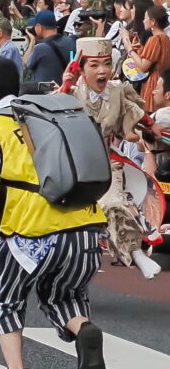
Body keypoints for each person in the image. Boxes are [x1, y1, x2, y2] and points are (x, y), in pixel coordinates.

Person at [0, 56, 107, 369]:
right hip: (86, 225)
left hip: (29, 232)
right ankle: (83, 328)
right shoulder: (50, 116)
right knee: (64, 294)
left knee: (4, 300)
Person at [67, 38, 163, 279]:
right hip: (72, 165)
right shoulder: (71, 92)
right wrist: (65, 84)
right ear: (81, 69)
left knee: (115, 204)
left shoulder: (117, 91)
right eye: (94, 65)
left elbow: (135, 112)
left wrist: (151, 125)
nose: (103, 71)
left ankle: (136, 253)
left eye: (107, 64)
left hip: (107, 162)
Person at [120, 4, 170, 110]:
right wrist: (141, 49)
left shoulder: (154, 39)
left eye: (145, 18)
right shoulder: (165, 38)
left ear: (153, 22)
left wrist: (128, 46)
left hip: (153, 83)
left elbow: (143, 67)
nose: (143, 21)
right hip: (162, 82)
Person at [23, 9, 74, 86]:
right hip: (66, 90)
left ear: (39, 27)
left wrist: (32, 41)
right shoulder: (70, 42)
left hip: (46, 92)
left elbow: (25, 63)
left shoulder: (40, 48)